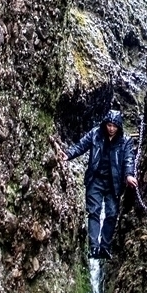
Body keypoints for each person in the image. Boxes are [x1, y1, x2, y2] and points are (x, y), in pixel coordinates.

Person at [62, 109, 138, 259]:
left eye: (114, 126)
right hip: (95, 179)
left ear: (119, 127)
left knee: (111, 214)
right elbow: (81, 146)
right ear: (105, 124)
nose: (111, 129)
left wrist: (129, 175)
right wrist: (68, 155)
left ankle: (105, 247)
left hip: (114, 183)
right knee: (94, 211)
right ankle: (93, 247)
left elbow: (129, 159)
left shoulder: (126, 141)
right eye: (109, 125)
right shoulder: (95, 133)